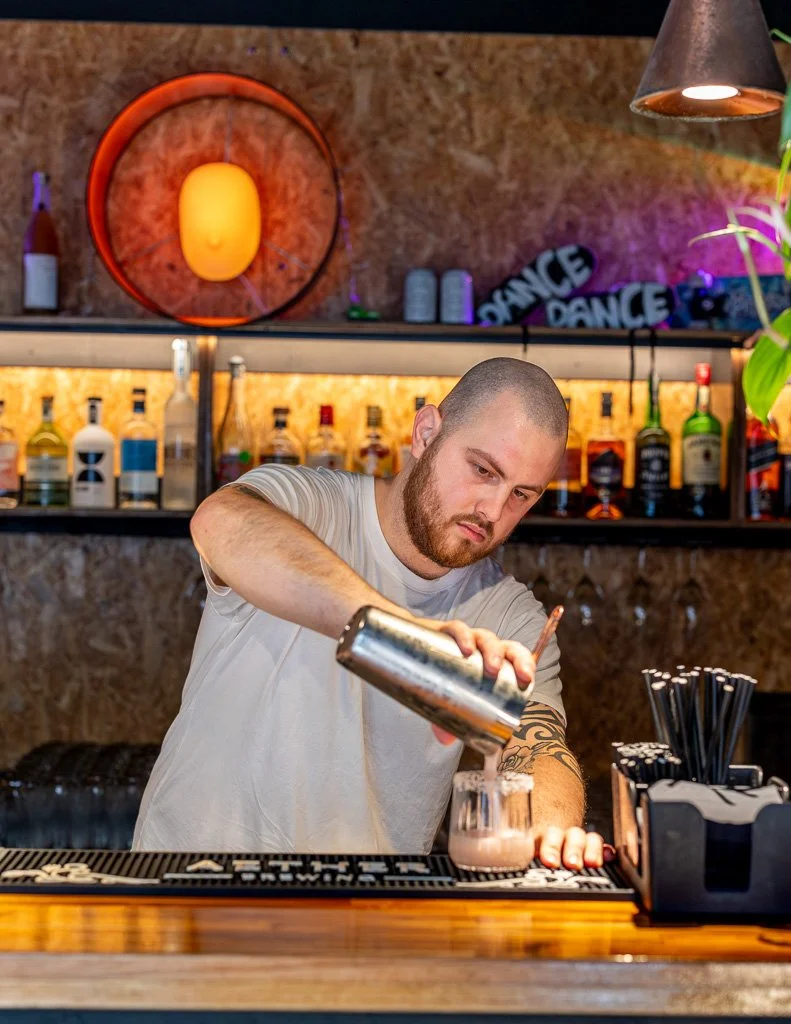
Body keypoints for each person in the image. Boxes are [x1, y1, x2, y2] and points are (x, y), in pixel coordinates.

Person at [134, 357, 609, 870]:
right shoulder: (313, 505)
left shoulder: (509, 614)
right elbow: (220, 522)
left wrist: (553, 833)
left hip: (367, 910)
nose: (493, 511)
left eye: (521, 494)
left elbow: (538, 745)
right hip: (192, 888)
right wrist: (406, 637)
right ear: (426, 433)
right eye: (482, 470)